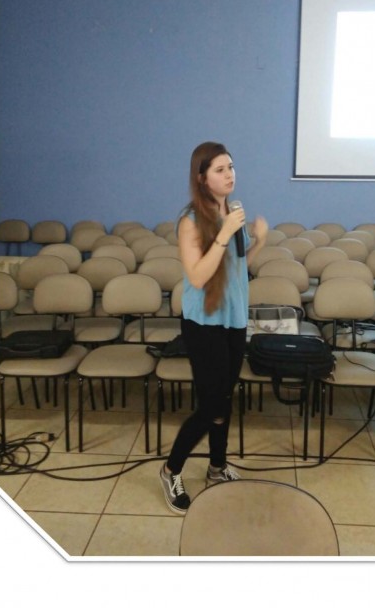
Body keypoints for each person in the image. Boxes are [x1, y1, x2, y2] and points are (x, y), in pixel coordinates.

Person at [159, 141, 268, 514]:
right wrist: (224, 233)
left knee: (225, 398)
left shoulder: (232, 211)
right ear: (202, 177)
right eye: (220, 169)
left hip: (234, 319)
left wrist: (260, 242)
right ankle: (171, 470)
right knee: (209, 406)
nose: (229, 174)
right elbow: (198, 275)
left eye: (231, 167)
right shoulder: (190, 221)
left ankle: (217, 467)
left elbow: (238, 265)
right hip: (204, 324)